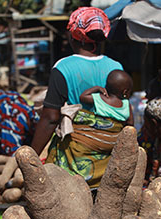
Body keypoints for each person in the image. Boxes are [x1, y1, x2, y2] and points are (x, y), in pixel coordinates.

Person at [31, 7, 127, 189]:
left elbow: (50, 118)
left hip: (75, 155)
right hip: (108, 154)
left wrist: (32, 155)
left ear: (72, 34)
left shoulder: (63, 67)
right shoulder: (116, 66)